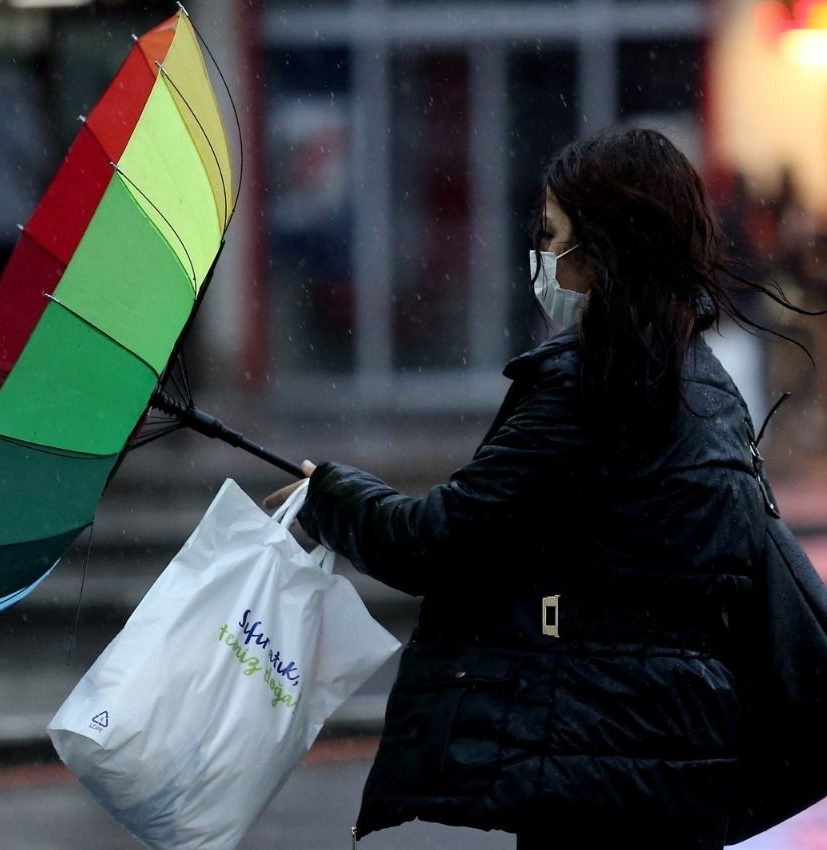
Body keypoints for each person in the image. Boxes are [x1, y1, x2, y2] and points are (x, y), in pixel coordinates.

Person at [266, 127, 783, 849]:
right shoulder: (707, 386)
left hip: (593, 760)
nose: (541, 259)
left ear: (601, 252)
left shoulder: (589, 386)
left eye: (553, 236)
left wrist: (332, 496)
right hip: (686, 759)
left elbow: (437, 542)